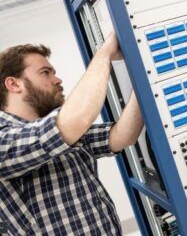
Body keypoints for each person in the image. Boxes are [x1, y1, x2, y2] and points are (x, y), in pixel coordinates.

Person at [0, 33, 143, 235]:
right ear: (14, 84)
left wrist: (144, 78)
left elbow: (121, 135)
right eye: (45, 72)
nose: (57, 79)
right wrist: (105, 52)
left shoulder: (61, 131)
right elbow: (77, 118)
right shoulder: (5, 141)